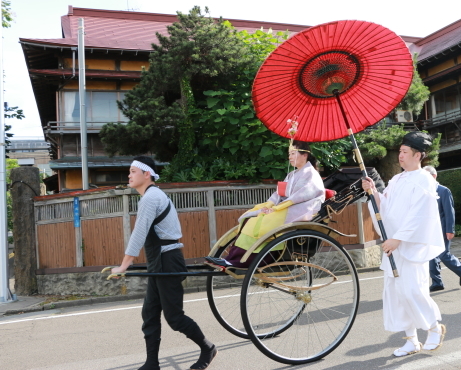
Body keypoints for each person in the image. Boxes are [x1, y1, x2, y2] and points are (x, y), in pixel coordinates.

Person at [111, 156, 217, 370]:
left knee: (174, 318)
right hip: (158, 262)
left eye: (133, 171)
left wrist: (124, 266)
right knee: (149, 313)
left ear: (146, 174)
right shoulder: (151, 197)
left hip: (168, 260)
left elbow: (139, 234)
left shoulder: (151, 198)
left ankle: (208, 348)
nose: (129, 175)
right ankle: (152, 363)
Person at [362, 132, 446, 358]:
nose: (400, 155)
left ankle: (434, 328)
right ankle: (411, 340)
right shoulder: (396, 179)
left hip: (409, 246)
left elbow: (420, 215)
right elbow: (385, 208)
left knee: (412, 290)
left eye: (405, 152)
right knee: (397, 293)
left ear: (418, 155)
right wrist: (373, 193)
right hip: (393, 244)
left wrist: (398, 238)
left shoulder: (425, 180)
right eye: (400, 151)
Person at [224, 140, 325, 267]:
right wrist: (269, 206)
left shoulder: (311, 175)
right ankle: (235, 258)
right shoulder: (292, 174)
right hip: (285, 207)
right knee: (251, 217)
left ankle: (252, 259)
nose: (290, 157)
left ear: (304, 155)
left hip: (300, 210)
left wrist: (277, 208)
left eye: (293, 153)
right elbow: (279, 194)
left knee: (265, 222)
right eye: (289, 154)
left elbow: (300, 197)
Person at [423, 166, 461, 292]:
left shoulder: (443, 191)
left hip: (442, 229)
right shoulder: (424, 192)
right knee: (431, 256)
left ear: (434, 176)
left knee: (443, 254)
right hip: (429, 230)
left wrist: (450, 229)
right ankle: (437, 282)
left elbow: (449, 212)